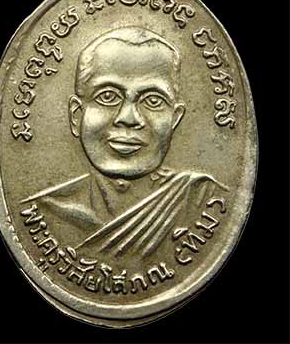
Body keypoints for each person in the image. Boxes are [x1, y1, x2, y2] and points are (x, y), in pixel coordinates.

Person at [24, 26, 225, 258]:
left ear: (175, 118)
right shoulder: (43, 210)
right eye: (107, 96)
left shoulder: (201, 199)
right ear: (76, 115)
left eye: (153, 100)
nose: (128, 118)